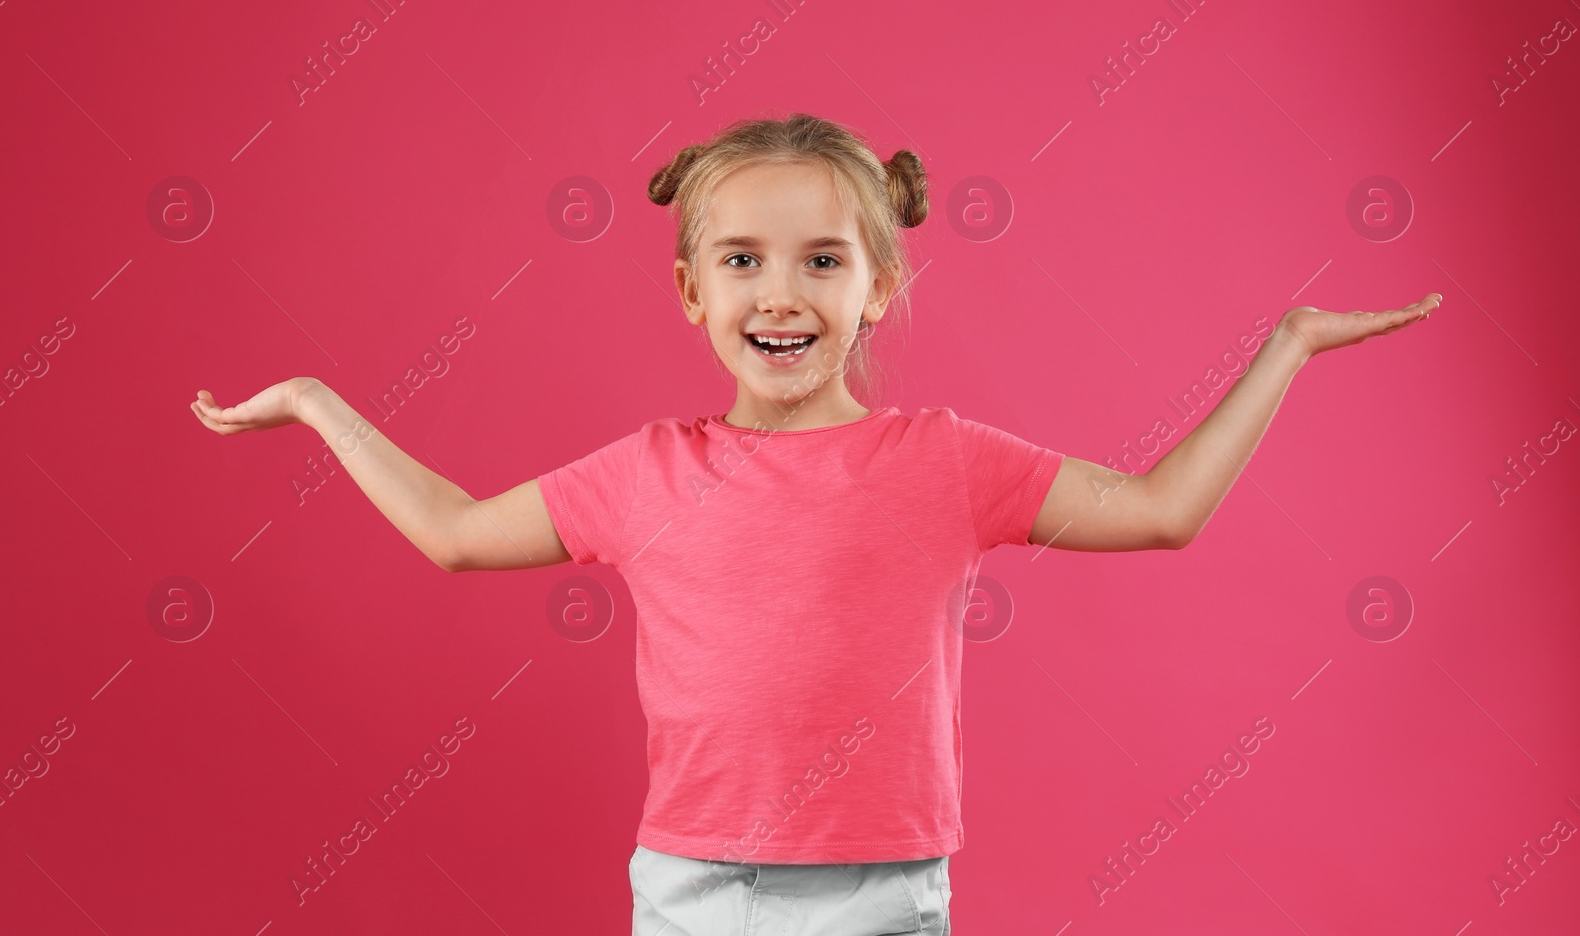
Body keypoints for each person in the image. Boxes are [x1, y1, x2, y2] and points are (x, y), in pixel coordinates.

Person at [190, 112, 1441, 935]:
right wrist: (315, 404)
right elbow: (457, 531)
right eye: (739, 260)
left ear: (880, 282)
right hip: (692, 888)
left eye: (822, 261)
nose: (779, 293)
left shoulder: (945, 460)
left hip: (886, 887)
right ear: (689, 290)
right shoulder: (646, 470)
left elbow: (1163, 510)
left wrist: (1284, 350)